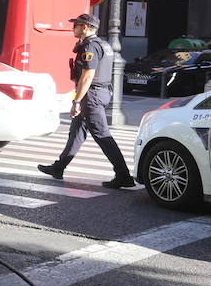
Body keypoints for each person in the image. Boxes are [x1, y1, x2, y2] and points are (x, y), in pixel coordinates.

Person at [39, 12, 137, 189]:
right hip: (99, 93)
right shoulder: (104, 44)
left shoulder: (89, 47)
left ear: (84, 27)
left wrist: (77, 100)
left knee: (103, 135)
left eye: (75, 25)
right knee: (76, 132)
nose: (73, 28)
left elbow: (88, 75)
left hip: (91, 96)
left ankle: (124, 175)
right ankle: (58, 168)